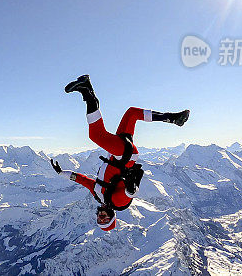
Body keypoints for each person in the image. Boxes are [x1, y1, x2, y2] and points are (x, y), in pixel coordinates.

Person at [50, 75, 189, 231]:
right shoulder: (118, 203)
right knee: (96, 135)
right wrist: (131, 185)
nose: (101, 217)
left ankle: (173, 118)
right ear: (112, 216)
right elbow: (130, 194)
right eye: (105, 219)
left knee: (131, 113)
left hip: (118, 153)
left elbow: (83, 180)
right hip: (124, 157)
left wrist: (62, 173)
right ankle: (87, 91)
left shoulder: (98, 196)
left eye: (99, 219)